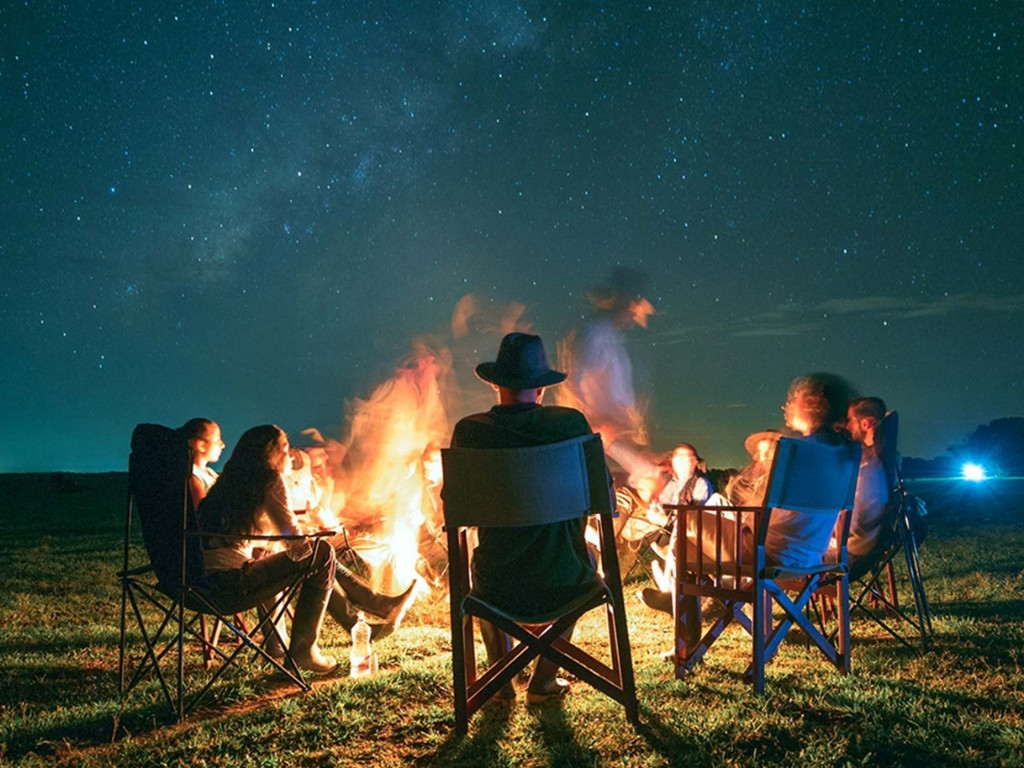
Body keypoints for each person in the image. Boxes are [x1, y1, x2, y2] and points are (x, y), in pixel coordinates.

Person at [450, 332, 603, 704]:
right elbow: (603, 498)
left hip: (496, 586)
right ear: (540, 390)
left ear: (496, 385)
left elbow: (454, 508)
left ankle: (500, 680)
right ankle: (543, 681)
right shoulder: (569, 425)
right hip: (563, 581)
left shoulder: (470, 432)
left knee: (480, 566)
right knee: (590, 558)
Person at [198, 425, 340, 674]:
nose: (290, 455)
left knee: (268, 554)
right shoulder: (270, 479)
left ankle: (276, 647)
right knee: (323, 552)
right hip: (232, 582)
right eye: (284, 448)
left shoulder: (231, 481)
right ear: (270, 453)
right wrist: (323, 536)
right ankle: (304, 651)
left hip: (200, 579)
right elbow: (294, 543)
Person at [556, 267, 656, 484]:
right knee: (645, 478)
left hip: (611, 437)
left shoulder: (612, 337)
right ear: (627, 303)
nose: (643, 314)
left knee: (649, 478)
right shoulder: (595, 334)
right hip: (600, 437)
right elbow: (581, 386)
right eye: (640, 306)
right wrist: (604, 425)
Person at [833, 396, 891, 561]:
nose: (848, 426)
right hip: (873, 541)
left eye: (851, 420)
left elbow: (853, 522)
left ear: (866, 423)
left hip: (851, 547)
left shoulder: (865, 465)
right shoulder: (884, 458)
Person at [178, 418, 225, 508]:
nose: (223, 445)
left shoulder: (210, 473)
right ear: (201, 445)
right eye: (217, 440)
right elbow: (203, 511)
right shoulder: (192, 475)